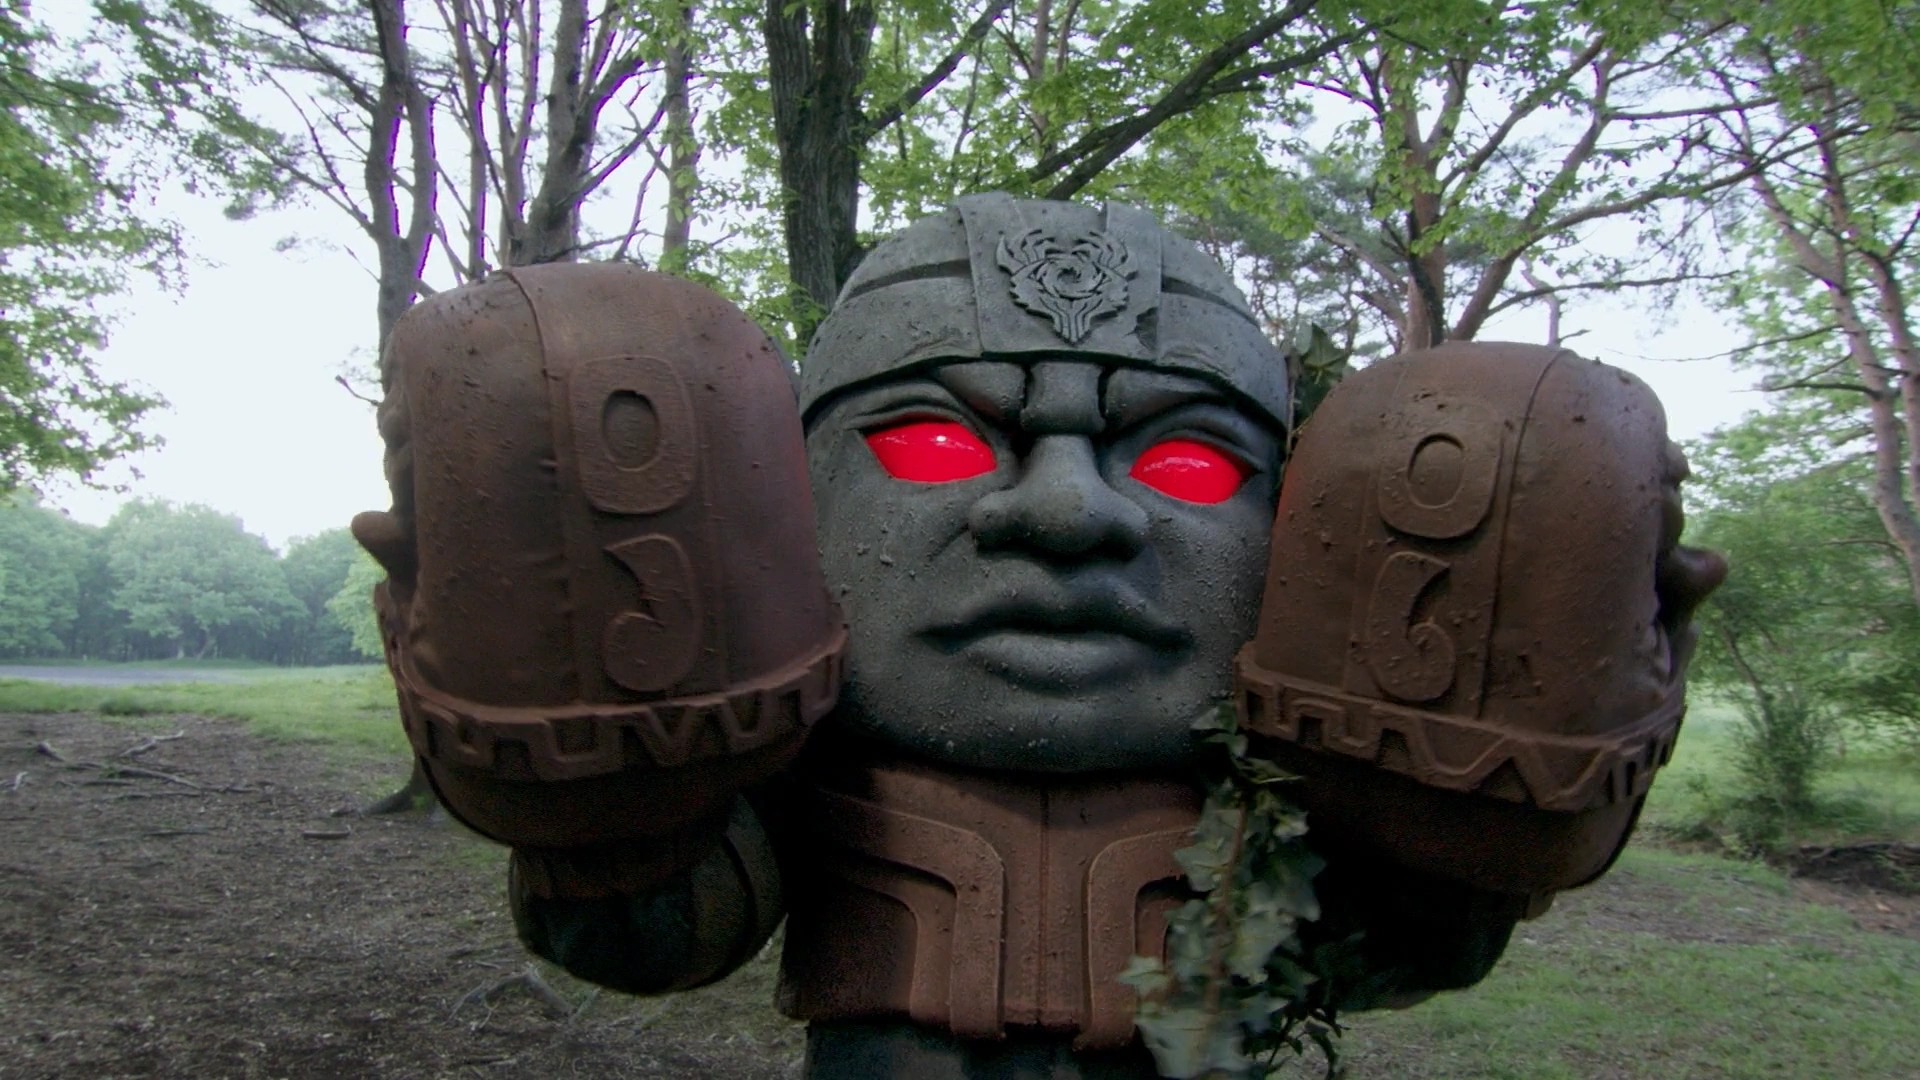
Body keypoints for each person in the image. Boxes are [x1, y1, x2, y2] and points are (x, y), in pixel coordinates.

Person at [356, 194, 1720, 1080]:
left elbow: (1379, 953)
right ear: (789, 504)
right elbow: (656, 938)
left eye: (1184, 463)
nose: (1068, 514)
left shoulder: (1263, 818)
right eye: (937, 443)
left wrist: (1459, 836)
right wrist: (613, 815)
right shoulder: (813, 782)